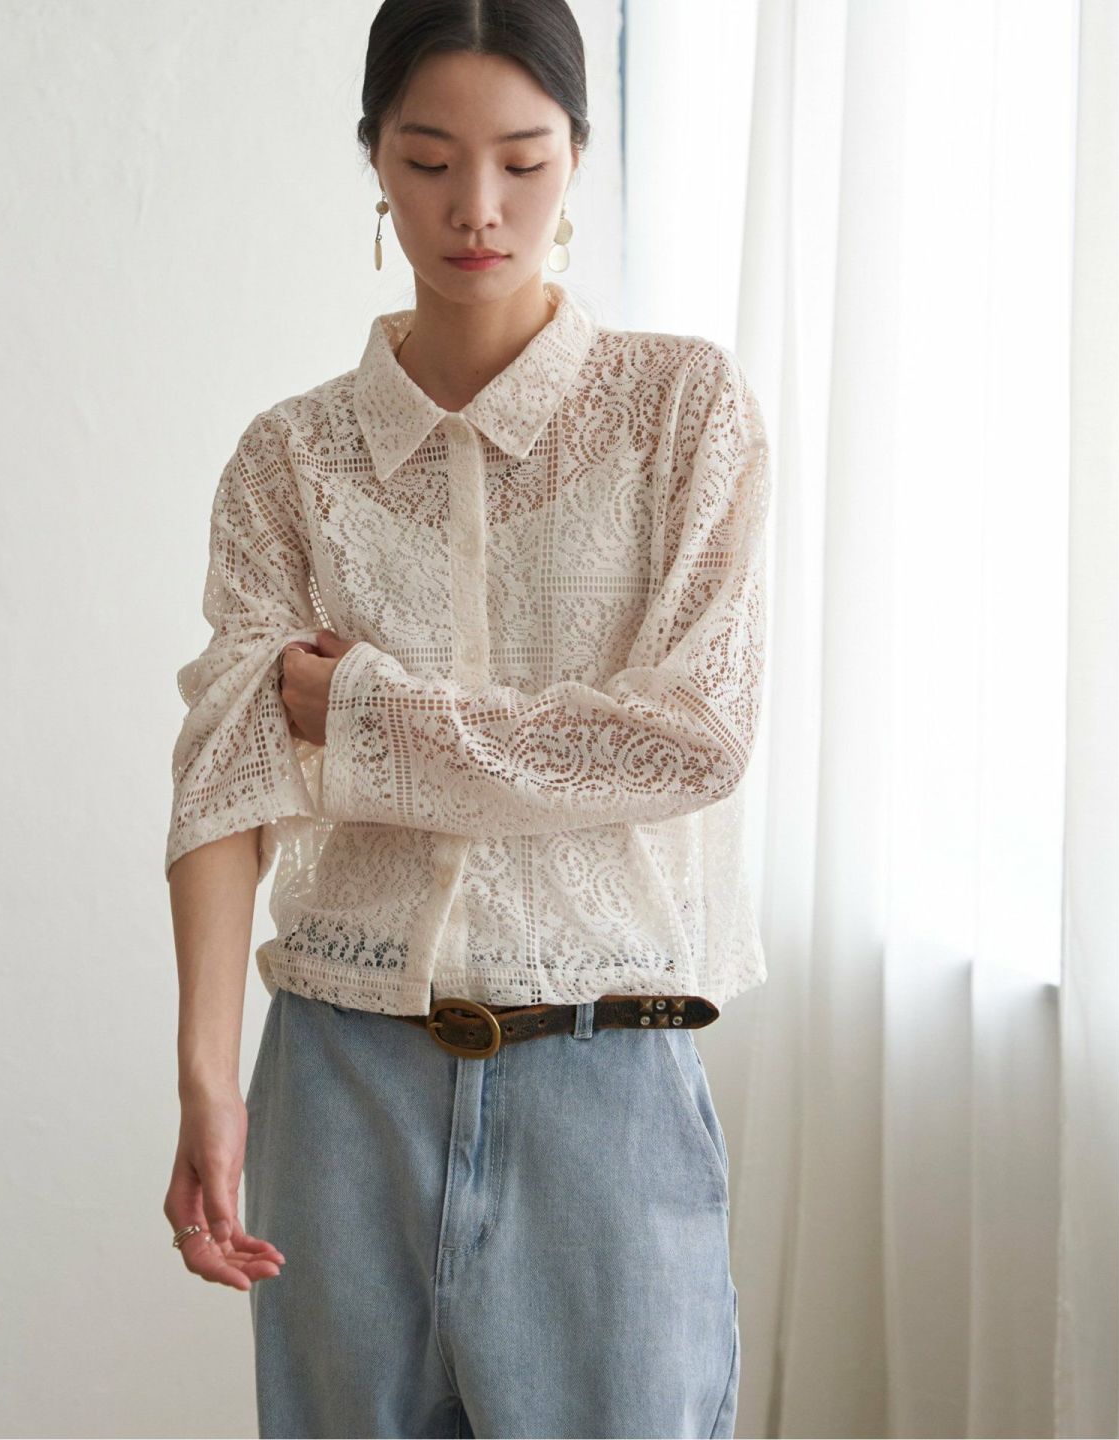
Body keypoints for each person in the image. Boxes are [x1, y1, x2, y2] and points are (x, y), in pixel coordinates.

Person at [163, 1, 771, 1435]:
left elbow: (693, 736)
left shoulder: (683, 414)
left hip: (604, 1083)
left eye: (522, 160)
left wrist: (367, 717)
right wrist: (206, 1080)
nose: (477, 208)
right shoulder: (290, 462)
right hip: (337, 1082)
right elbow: (227, 776)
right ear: (375, 159)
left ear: (580, 156)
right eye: (429, 160)